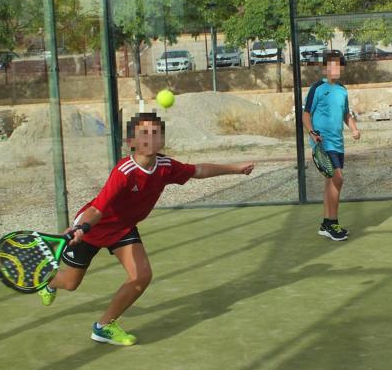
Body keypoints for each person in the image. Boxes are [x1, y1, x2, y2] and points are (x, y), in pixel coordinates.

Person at [38, 111, 255, 346]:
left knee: (142, 276)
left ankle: (104, 326)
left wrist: (235, 168)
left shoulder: (165, 166)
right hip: (94, 227)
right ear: (131, 142)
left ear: (161, 140)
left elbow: (198, 171)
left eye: (156, 133)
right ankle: (50, 283)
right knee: (70, 283)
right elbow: (98, 208)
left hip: (123, 229)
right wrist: (80, 227)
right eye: (144, 133)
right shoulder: (124, 172)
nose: (150, 138)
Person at [302, 50, 360, 241]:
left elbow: (345, 114)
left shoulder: (343, 90)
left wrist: (353, 129)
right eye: (331, 65)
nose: (335, 68)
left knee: (331, 183)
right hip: (322, 141)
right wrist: (311, 131)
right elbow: (306, 114)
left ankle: (326, 224)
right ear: (326, 68)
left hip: (338, 143)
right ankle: (333, 222)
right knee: (338, 179)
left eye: (338, 65)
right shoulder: (317, 88)